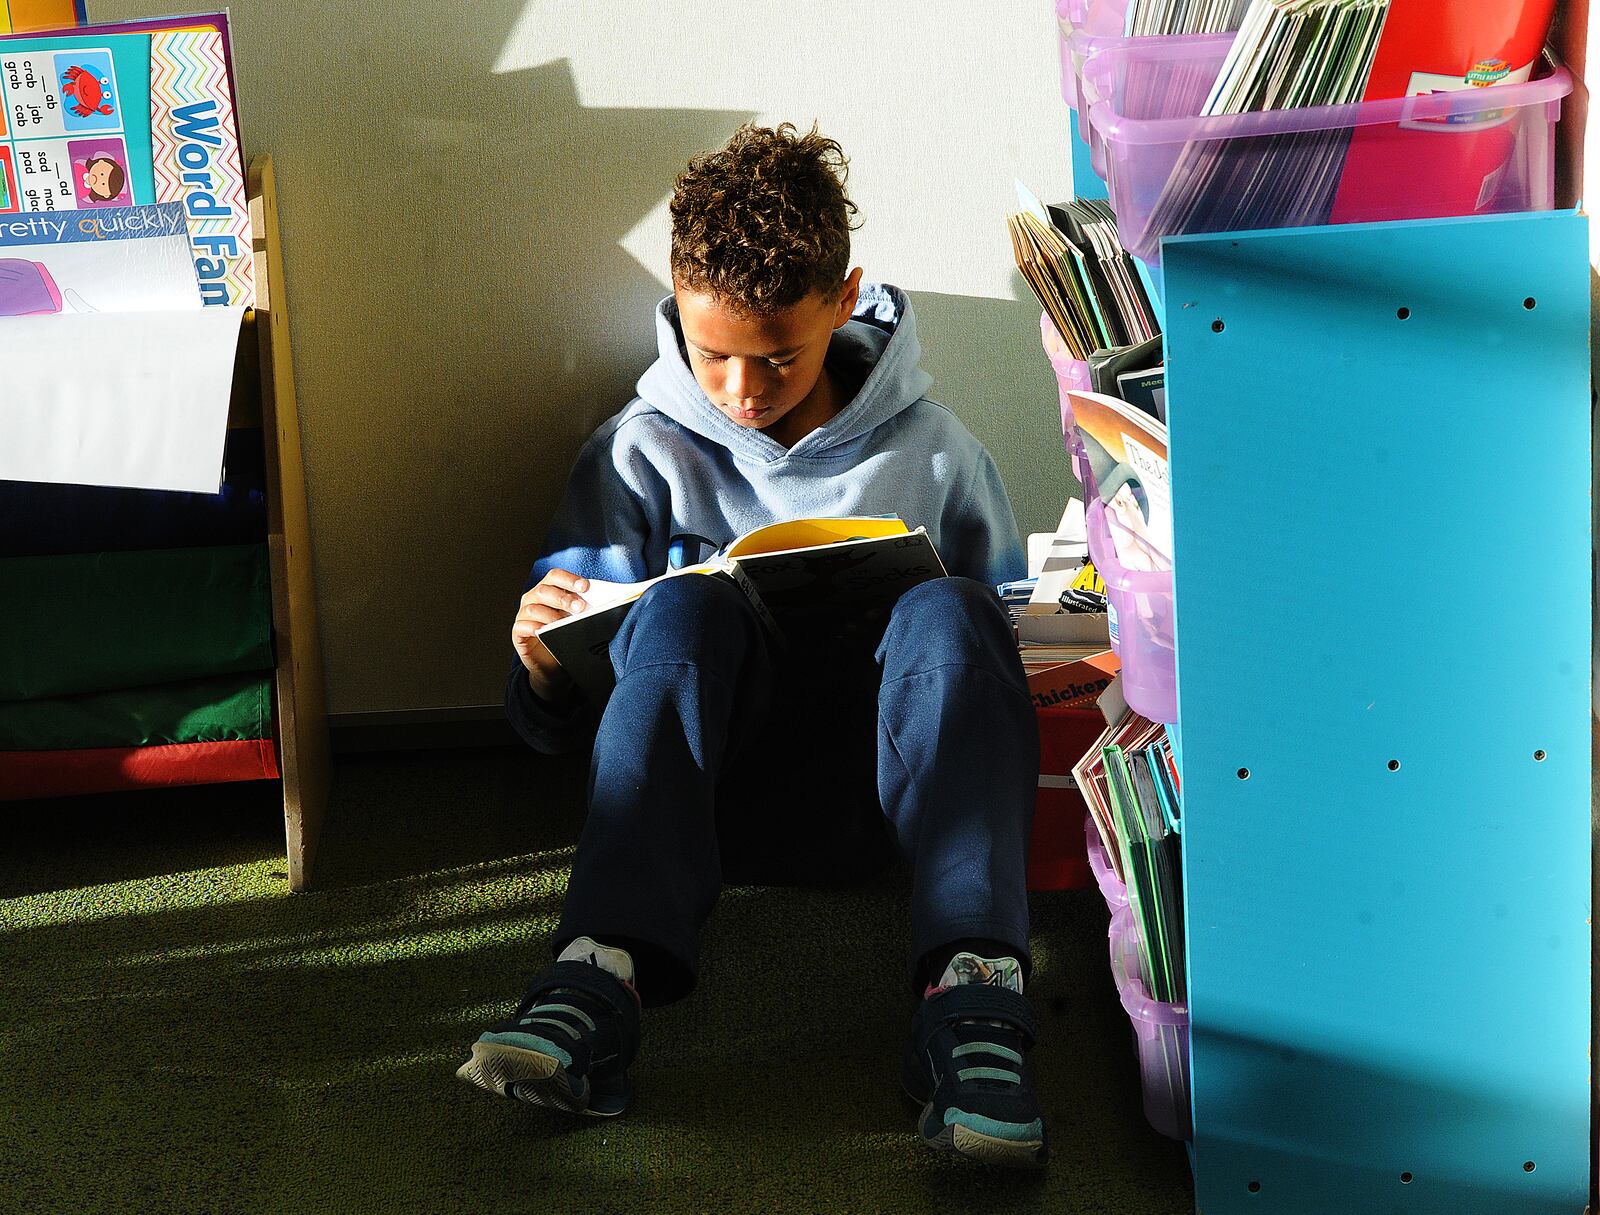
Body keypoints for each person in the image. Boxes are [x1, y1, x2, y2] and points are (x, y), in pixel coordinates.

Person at [456, 122, 1046, 1168]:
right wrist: (543, 668)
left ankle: (976, 1001)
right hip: (699, 820)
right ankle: (595, 980)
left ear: (845, 298)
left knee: (955, 612)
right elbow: (555, 722)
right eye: (712, 353)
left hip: (897, 819)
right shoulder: (637, 454)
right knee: (683, 610)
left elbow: (1009, 666)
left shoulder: (939, 453)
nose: (742, 389)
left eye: (779, 355)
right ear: (676, 305)